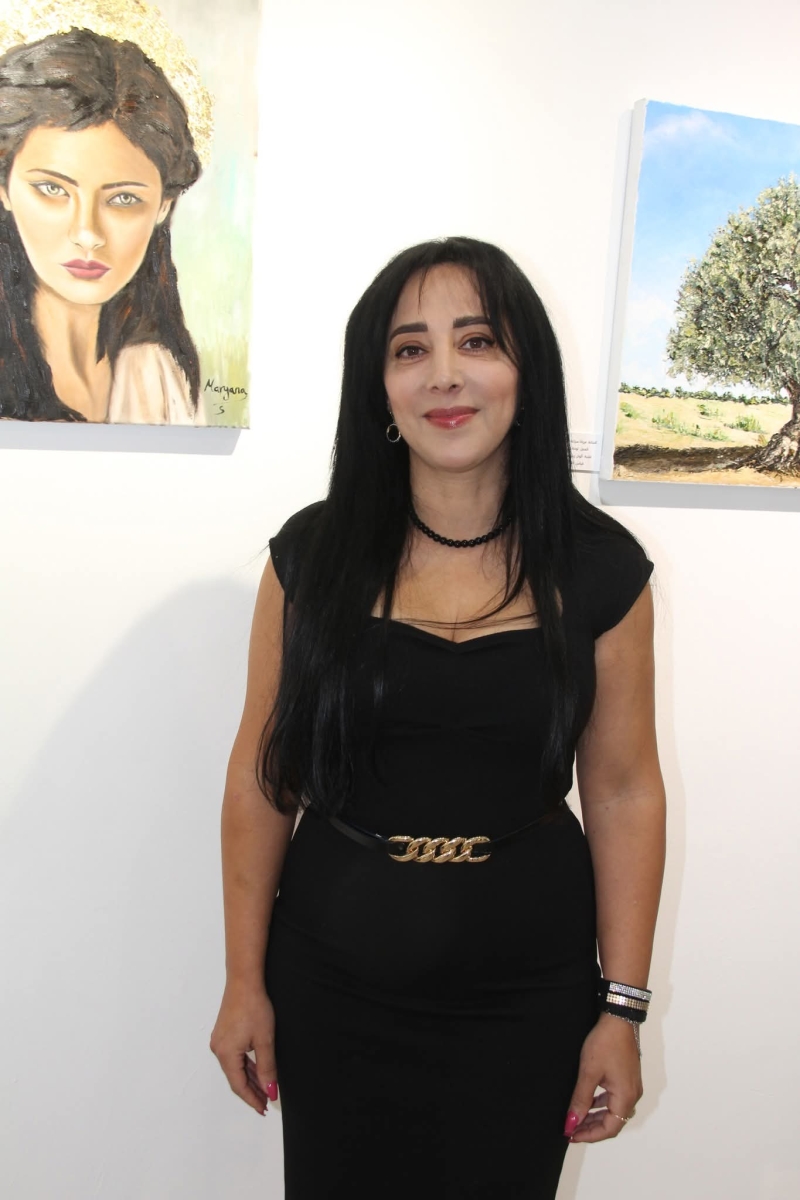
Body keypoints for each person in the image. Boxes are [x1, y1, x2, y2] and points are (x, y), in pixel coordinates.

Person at [211, 237, 666, 1199]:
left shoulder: (602, 570)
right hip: (334, 979)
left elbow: (625, 792)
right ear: (377, 387)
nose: (445, 375)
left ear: (526, 373)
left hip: (529, 989)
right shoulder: (311, 559)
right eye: (409, 349)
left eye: (478, 341)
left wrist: (621, 1010)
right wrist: (243, 981)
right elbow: (263, 777)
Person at [0, 28, 203, 424]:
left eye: (123, 198)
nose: (87, 233)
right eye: (52, 189)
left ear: (164, 205)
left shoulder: (159, 375)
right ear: (4, 189)